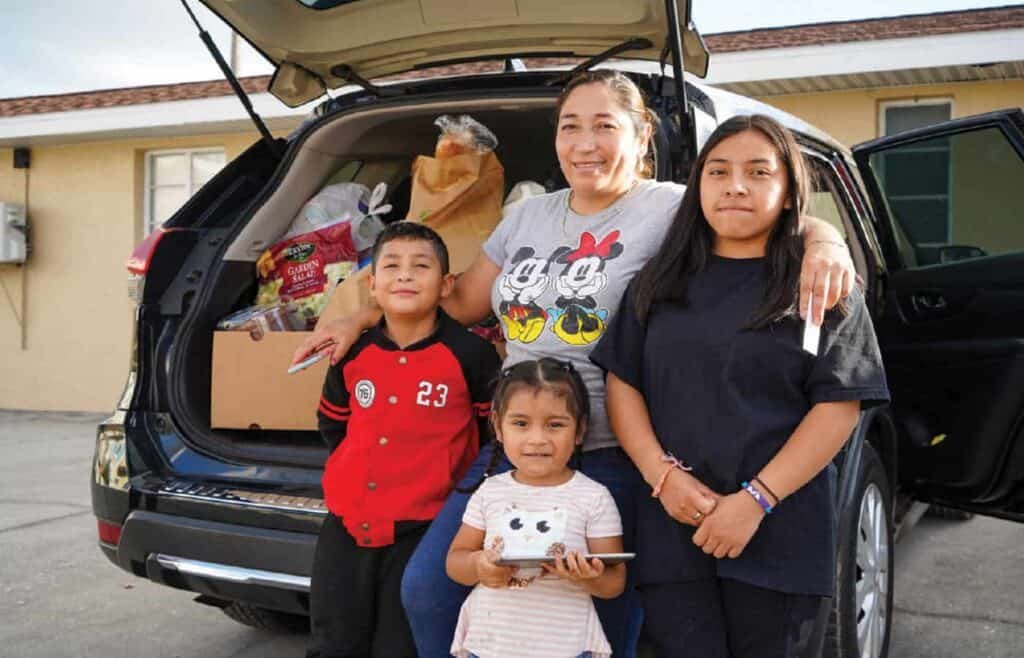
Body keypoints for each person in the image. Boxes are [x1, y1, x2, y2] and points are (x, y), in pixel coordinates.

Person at [294, 70, 857, 658]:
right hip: (513, 446)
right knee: (431, 592)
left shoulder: (668, 207)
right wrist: (360, 318)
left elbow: (754, 215)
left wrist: (825, 242)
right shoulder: (528, 216)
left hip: (612, 452)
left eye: (604, 126)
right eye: (570, 127)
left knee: (602, 617)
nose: (585, 143)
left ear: (642, 136)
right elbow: (457, 304)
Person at [591, 114, 890, 658]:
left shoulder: (817, 281)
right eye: (719, 171)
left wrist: (756, 500)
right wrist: (663, 478)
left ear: (788, 190)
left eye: (758, 172)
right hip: (672, 526)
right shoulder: (660, 281)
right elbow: (623, 382)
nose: (735, 186)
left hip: (780, 531)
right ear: (697, 184)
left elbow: (839, 405)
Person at [307, 221, 501, 658]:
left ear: (446, 283)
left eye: (421, 266)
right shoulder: (352, 352)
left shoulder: (471, 356)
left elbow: (491, 437)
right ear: (372, 284)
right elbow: (333, 424)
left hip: (424, 528)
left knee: (400, 645)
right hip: (346, 526)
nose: (405, 275)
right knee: (334, 641)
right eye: (391, 266)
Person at [446, 358, 625, 658]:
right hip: (490, 645)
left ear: (579, 431)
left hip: (566, 647)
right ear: (498, 427)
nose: (537, 439)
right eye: (520, 423)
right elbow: (455, 562)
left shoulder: (594, 497)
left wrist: (589, 577)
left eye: (555, 425)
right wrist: (480, 566)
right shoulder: (491, 491)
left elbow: (615, 581)